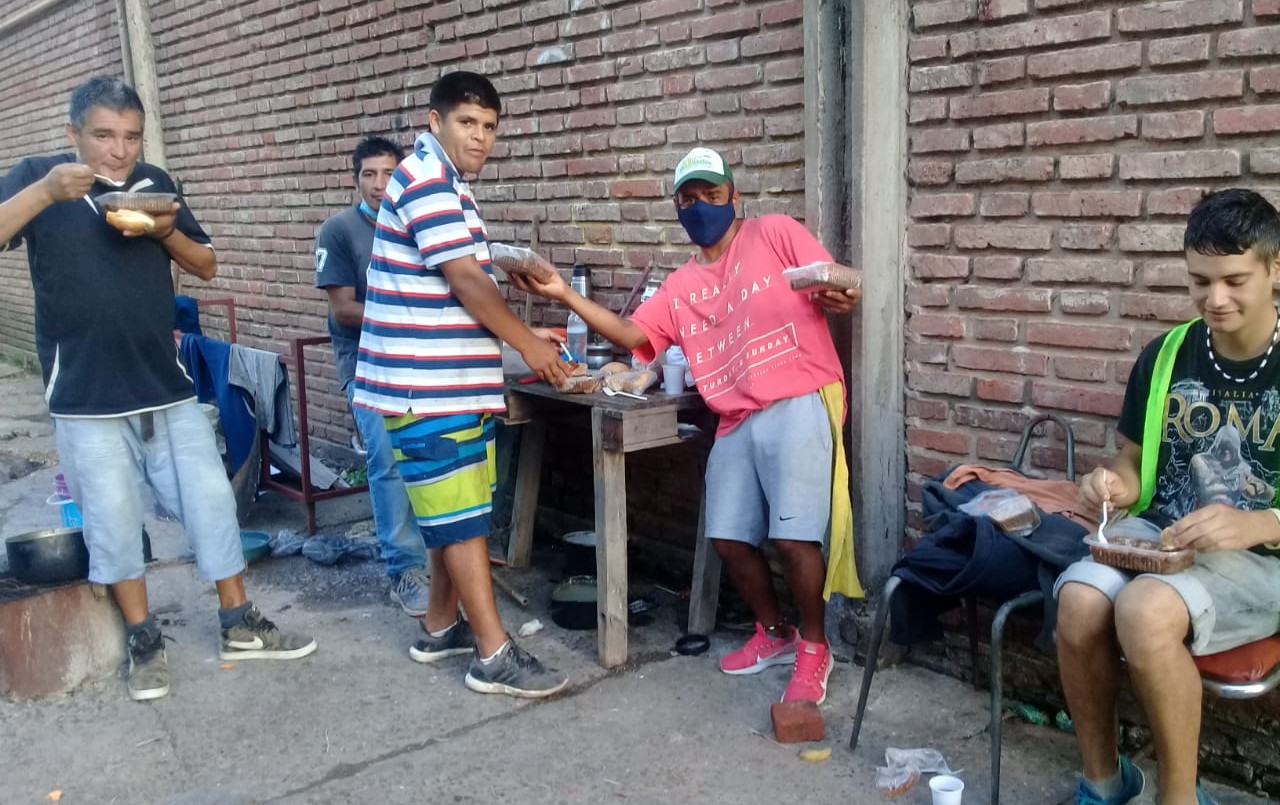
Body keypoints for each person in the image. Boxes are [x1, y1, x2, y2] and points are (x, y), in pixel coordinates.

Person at [0, 76, 316, 702]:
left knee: (211, 503)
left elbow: (205, 262)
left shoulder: (153, 184)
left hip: (164, 386)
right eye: (103, 136)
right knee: (114, 524)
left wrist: (159, 229)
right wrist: (43, 192)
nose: (118, 152)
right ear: (73, 134)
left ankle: (238, 622)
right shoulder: (41, 176)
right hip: (85, 394)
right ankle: (144, 640)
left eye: (129, 137)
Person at [511, 146, 862, 704]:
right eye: (689, 199)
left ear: (733, 197)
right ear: (677, 207)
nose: (702, 206)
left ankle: (816, 649)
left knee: (795, 539)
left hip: (798, 398)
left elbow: (833, 284)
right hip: (734, 415)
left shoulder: (774, 233)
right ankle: (774, 634)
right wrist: (563, 294)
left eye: (712, 195)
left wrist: (843, 294)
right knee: (727, 537)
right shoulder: (680, 286)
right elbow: (632, 337)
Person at [1055, 188, 1280, 805]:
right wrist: (1114, 484)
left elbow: (1260, 528)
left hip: (1262, 559)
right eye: (1200, 281)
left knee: (1144, 611)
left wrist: (1258, 523)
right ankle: (1104, 784)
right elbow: (1132, 460)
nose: (1216, 299)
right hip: (1163, 536)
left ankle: (1179, 798)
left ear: (1275, 268)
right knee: (1076, 600)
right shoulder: (1166, 356)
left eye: (1234, 280)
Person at [352, 70, 570, 698]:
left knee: (459, 512)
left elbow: (458, 286)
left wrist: (516, 338)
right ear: (435, 122)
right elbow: (466, 283)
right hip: (424, 388)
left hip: (450, 382)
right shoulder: (422, 180)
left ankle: (440, 626)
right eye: (467, 123)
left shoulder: (451, 186)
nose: (479, 136)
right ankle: (493, 654)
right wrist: (526, 343)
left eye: (490, 127)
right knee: (462, 521)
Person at [315, 135, 431, 615]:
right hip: (365, 365)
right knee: (386, 458)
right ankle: (403, 568)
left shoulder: (414, 224)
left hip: (418, 360)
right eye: (369, 174)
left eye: (388, 173)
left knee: (432, 454)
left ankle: (439, 559)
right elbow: (343, 311)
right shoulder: (339, 231)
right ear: (355, 177)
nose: (380, 185)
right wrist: (410, 311)